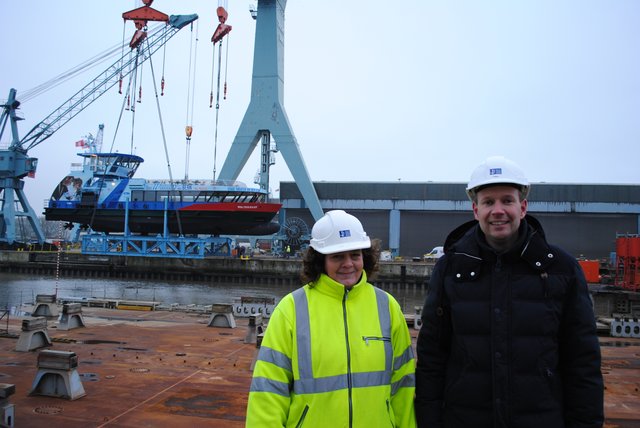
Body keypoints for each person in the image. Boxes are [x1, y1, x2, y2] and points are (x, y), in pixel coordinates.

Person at [415, 156, 604, 427]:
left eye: (507, 200)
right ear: (475, 210)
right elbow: (433, 358)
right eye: (488, 202)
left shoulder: (561, 269)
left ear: (523, 207)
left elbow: (582, 363)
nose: (498, 210)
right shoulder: (450, 269)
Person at [247, 210, 416, 427]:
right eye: (337, 256)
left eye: (355, 255)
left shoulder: (387, 307)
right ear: (320, 260)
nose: (348, 264)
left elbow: (403, 386)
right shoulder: (291, 310)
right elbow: (268, 391)